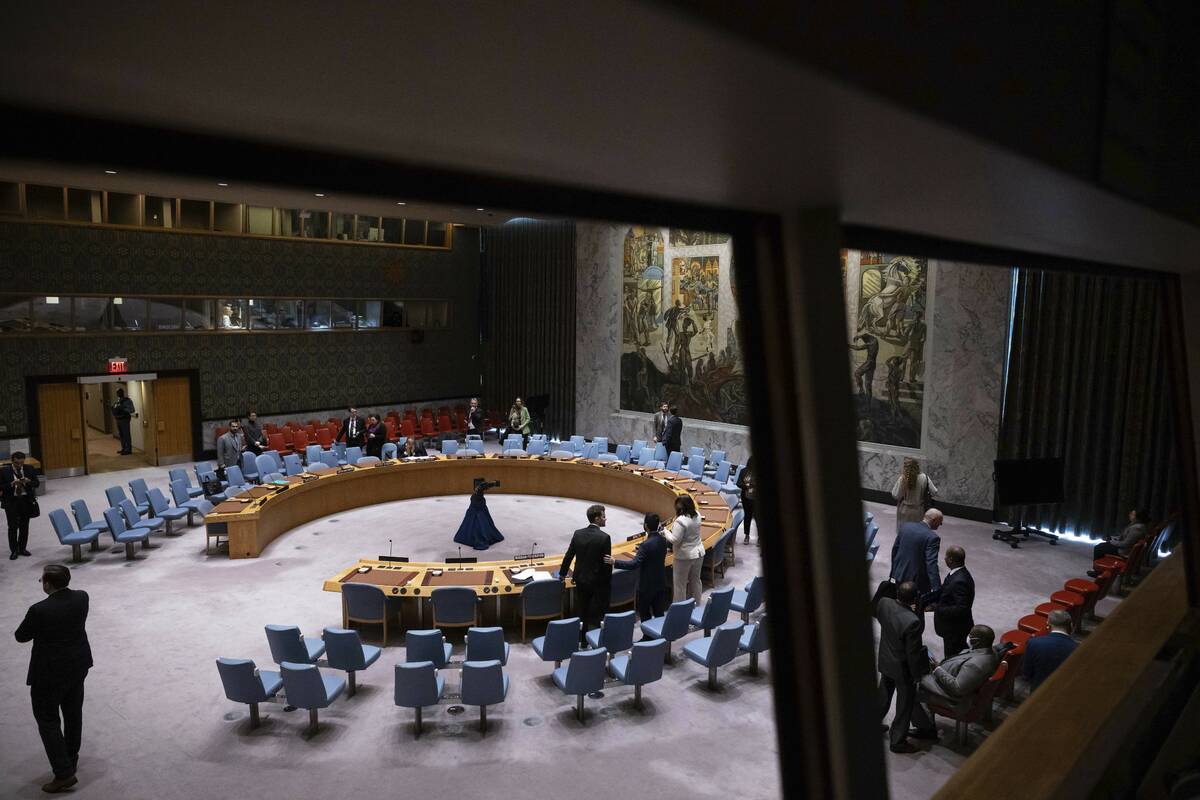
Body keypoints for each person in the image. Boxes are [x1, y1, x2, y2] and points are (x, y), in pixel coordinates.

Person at [14, 564, 93, 794]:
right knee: (73, 713)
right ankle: (71, 759)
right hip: (78, 665)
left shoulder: (39, 610)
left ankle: (63, 773)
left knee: (48, 720)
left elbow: (21, 636)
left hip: (49, 673)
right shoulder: (82, 597)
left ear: (48, 584)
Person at [876, 581, 935, 753]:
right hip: (903, 669)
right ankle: (897, 741)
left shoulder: (884, 603)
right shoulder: (912, 621)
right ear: (915, 598)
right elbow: (913, 653)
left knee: (884, 693)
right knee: (904, 704)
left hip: (885, 659)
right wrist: (917, 675)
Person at [918, 624, 1001, 711]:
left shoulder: (975, 665)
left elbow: (958, 688)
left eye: (971, 636)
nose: (968, 637)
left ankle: (925, 723)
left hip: (953, 699)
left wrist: (937, 669)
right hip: (952, 676)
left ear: (977, 641)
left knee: (912, 690)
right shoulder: (991, 651)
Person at [559, 505, 612, 640]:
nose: (606, 519)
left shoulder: (578, 534)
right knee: (598, 612)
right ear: (597, 518)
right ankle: (597, 640)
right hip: (598, 582)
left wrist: (562, 573)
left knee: (582, 610)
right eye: (604, 516)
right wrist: (608, 583)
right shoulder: (605, 538)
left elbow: (569, 556)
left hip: (581, 579)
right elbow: (607, 564)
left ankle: (582, 640)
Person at [613, 512, 670, 621]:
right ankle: (660, 635)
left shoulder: (645, 545)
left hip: (646, 585)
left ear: (645, 526)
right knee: (659, 612)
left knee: (645, 614)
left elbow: (634, 564)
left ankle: (647, 636)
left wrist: (615, 562)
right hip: (661, 582)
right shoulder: (663, 540)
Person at [890, 508, 943, 607]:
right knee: (916, 610)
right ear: (934, 520)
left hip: (899, 574)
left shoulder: (906, 527)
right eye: (940, 521)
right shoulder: (932, 538)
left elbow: (895, 550)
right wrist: (937, 589)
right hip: (916, 582)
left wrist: (893, 571)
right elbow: (931, 563)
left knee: (899, 603)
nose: (941, 525)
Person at [932, 546, 974, 658]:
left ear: (950, 559)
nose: (944, 558)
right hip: (952, 628)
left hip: (955, 630)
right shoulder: (956, 573)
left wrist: (938, 608)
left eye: (946, 556)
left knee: (953, 657)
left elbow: (962, 608)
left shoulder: (960, 580)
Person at [1022, 609, 1078, 691]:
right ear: (1070, 626)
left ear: (1048, 625)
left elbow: (1026, 673)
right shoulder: (1077, 648)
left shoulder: (1034, 643)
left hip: (1038, 690)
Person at [665, 495, 704, 606]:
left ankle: (680, 611)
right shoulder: (698, 515)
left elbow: (675, 540)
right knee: (696, 581)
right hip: (699, 553)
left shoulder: (681, 521)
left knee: (680, 585)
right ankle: (697, 606)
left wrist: (665, 532)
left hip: (684, 557)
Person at [3, 451, 39, 559]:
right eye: (17, 463)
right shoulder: (4, 471)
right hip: (11, 501)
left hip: (25, 500)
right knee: (12, 526)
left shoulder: (29, 468)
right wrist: (11, 484)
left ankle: (22, 548)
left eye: (21, 463)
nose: (19, 465)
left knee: (24, 526)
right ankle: (14, 550)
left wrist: (28, 481)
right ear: (12, 461)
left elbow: (37, 483)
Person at [453, 480, 505, 551]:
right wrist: (493, 483)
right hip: (477, 509)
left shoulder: (478, 492)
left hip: (478, 508)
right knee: (479, 525)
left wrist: (493, 484)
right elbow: (483, 486)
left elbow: (483, 486)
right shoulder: (478, 492)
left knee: (479, 524)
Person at [891, 457, 936, 527]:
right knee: (917, 531)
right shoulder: (924, 477)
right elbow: (934, 492)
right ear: (917, 466)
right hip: (919, 511)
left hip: (904, 510)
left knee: (905, 531)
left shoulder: (903, 478)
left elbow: (895, 495)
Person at [849, 333, 879, 398]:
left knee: (857, 373)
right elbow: (866, 335)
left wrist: (849, 345)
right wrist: (859, 336)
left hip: (869, 363)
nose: (865, 342)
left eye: (865, 341)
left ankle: (861, 389)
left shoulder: (870, 344)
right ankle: (868, 405)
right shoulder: (875, 340)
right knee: (868, 385)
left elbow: (857, 348)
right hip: (873, 364)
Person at [737, 456, 756, 544]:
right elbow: (738, 483)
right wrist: (746, 486)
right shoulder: (744, 471)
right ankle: (746, 536)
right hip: (746, 497)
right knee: (747, 516)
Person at [111, 388, 135, 455]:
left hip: (124, 419)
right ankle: (124, 448)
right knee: (121, 435)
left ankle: (128, 450)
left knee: (126, 434)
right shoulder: (117, 401)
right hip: (118, 419)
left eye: (119, 392)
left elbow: (132, 410)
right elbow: (115, 409)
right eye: (117, 393)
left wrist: (123, 409)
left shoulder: (127, 401)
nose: (118, 394)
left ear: (122, 393)